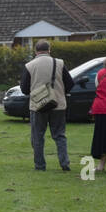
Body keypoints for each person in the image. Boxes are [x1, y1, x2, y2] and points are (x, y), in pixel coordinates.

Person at [19, 40, 74, 172]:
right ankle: (64, 163)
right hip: (58, 105)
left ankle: (40, 166)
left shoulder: (30, 65)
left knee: (37, 136)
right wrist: (58, 92)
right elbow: (70, 84)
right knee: (60, 135)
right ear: (49, 50)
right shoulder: (59, 63)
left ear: (35, 51)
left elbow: (25, 89)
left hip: (38, 106)